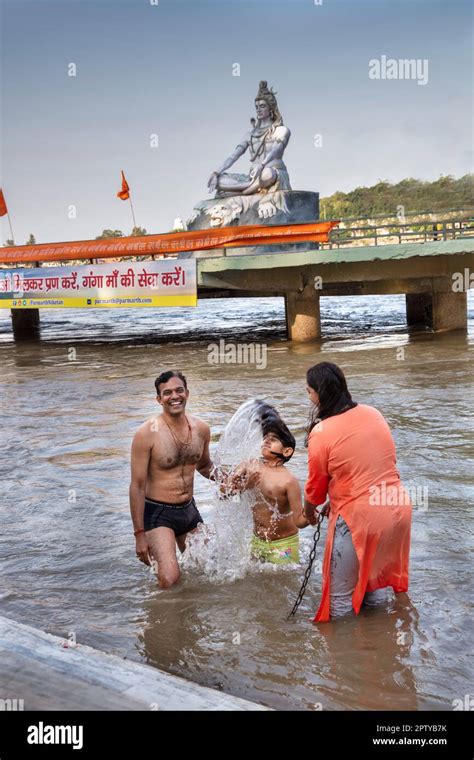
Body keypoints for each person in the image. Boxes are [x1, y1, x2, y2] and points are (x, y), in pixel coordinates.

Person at [303, 362, 412, 622]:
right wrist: (337, 498)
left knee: (339, 602)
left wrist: (309, 513)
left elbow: (314, 491)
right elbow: (372, 465)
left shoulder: (321, 432)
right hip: (397, 510)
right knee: (374, 587)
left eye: (308, 391)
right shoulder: (373, 413)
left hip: (361, 519)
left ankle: (348, 657)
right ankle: (383, 647)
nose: (308, 397)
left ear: (319, 394)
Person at [129, 370, 212, 588]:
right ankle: (163, 620)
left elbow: (205, 466)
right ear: (159, 399)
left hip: (189, 509)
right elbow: (137, 486)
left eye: (179, 390)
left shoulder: (201, 429)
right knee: (170, 580)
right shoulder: (146, 433)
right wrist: (139, 535)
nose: (174, 396)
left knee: (209, 570)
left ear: (187, 393)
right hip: (158, 513)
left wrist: (229, 480)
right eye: (167, 393)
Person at [224, 404, 308, 564]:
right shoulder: (249, 465)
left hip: (284, 545)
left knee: (282, 584)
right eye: (266, 438)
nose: (267, 441)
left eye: (274, 439)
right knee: (256, 584)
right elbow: (224, 492)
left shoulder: (289, 481)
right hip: (257, 541)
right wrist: (243, 485)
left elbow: (299, 520)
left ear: (287, 451)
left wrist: (311, 514)